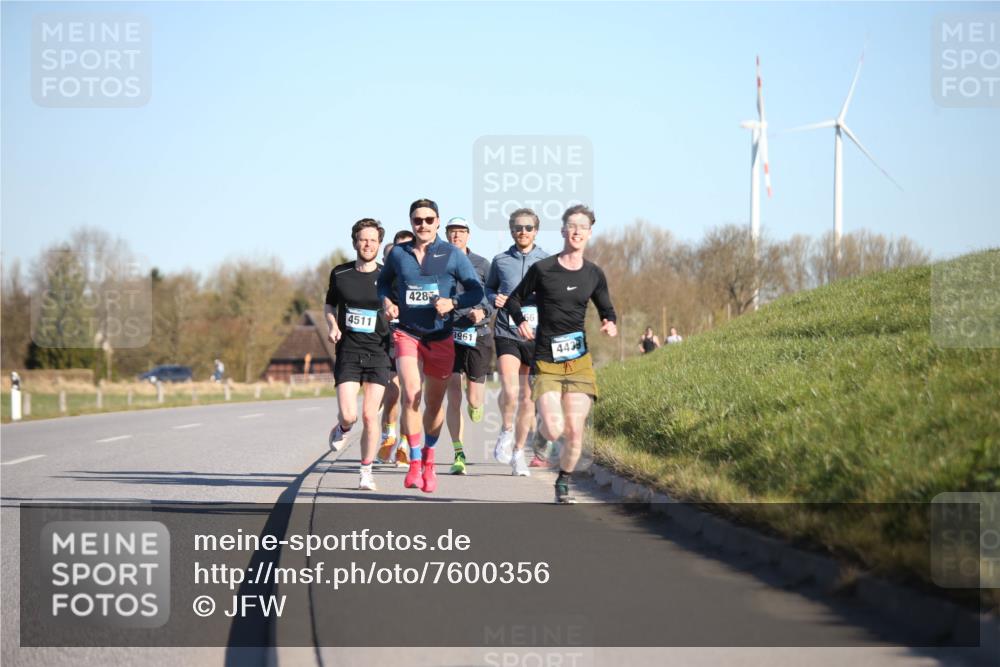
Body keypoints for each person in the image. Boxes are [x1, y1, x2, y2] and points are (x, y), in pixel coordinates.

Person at [506, 204, 617, 504]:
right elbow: (513, 300)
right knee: (555, 429)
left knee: (575, 432)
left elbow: (607, 308)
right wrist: (521, 322)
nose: (577, 231)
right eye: (572, 226)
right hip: (547, 361)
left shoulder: (594, 274)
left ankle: (563, 482)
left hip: (579, 363)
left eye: (583, 226)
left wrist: (609, 322)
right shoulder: (543, 269)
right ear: (563, 231)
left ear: (590, 233)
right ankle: (542, 435)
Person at [377, 198, 485, 493]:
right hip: (407, 333)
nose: (422, 225)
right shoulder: (399, 254)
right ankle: (413, 461)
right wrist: (386, 301)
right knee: (412, 394)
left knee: (434, 404)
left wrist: (453, 302)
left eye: (428, 220)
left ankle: (428, 457)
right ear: (411, 222)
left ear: (437, 222)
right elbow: (383, 283)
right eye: (417, 220)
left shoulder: (451, 254)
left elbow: (476, 290)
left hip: (440, 336)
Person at [325, 218, 392, 491]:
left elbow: (397, 306)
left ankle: (366, 471)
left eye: (373, 240)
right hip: (349, 351)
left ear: (379, 243)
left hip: (379, 351)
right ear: (355, 242)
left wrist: (394, 311)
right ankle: (342, 428)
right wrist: (332, 326)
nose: (368, 244)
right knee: (349, 415)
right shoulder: (340, 273)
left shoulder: (388, 276)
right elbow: (330, 305)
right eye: (363, 239)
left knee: (369, 416)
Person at [485, 208, 549, 475]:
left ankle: (519, 453)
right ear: (511, 231)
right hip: (507, 332)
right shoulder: (500, 260)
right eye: (518, 227)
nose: (523, 232)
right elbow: (488, 288)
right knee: (511, 391)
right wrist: (494, 298)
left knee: (527, 397)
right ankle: (506, 430)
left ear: (536, 231)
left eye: (528, 227)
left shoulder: (547, 261)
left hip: (535, 335)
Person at [443, 216, 494, 475]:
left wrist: (482, 311)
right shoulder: (438, 264)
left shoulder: (482, 264)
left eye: (461, 231)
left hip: (477, 333)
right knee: (453, 394)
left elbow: (491, 296)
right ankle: (458, 452)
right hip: (448, 334)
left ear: (468, 235)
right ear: (446, 235)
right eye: (452, 231)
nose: (456, 236)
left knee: (474, 400)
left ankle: (476, 404)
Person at [376, 230, 415, 467]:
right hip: (390, 338)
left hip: (415, 338)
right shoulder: (384, 279)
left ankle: (404, 445)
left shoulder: (420, 274)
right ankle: (388, 437)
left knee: (410, 396)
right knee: (393, 391)